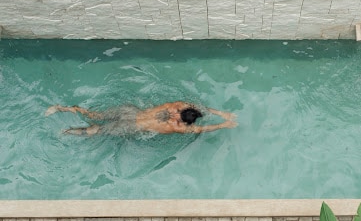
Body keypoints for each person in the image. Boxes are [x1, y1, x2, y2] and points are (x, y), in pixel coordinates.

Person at [45, 101, 237, 136]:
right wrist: (223, 122)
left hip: (130, 113)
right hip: (131, 124)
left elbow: (197, 109)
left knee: (96, 118)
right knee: (96, 129)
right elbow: (202, 128)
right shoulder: (179, 126)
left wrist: (221, 115)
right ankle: (67, 130)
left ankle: (62, 110)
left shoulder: (175, 105)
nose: (174, 115)